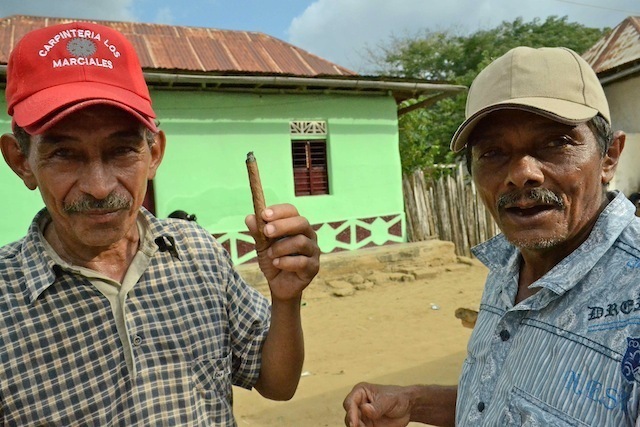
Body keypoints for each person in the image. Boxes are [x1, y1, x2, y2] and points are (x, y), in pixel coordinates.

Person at [0, 22, 320, 426]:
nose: (99, 188)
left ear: (154, 154)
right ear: (20, 162)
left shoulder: (197, 253)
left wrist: (286, 299)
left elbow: (278, 383)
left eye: (121, 152)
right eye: (65, 154)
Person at [344, 46, 640, 426]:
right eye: (494, 152)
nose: (522, 173)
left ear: (609, 156)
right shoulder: (509, 264)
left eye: (556, 143)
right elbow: (502, 398)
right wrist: (413, 402)